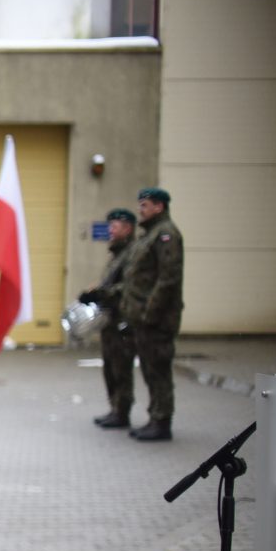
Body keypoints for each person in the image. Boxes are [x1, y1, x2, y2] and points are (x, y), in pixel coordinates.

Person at [120, 187, 184, 442]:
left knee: (158, 370)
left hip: (157, 319)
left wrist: (149, 313)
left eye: (145, 205)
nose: (140, 210)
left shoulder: (166, 234)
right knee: (149, 369)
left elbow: (168, 279)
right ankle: (155, 417)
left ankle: (162, 421)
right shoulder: (151, 234)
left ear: (159, 206)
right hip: (143, 318)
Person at [78, 208, 139, 430]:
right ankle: (115, 409)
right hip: (110, 319)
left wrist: (101, 293)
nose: (110, 229)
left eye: (115, 225)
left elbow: (128, 286)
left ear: (128, 228)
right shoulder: (117, 253)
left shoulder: (132, 253)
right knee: (111, 367)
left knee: (121, 368)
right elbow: (109, 283)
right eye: (110, 225)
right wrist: (94, 291)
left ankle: (122, 412)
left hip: (123, 319)